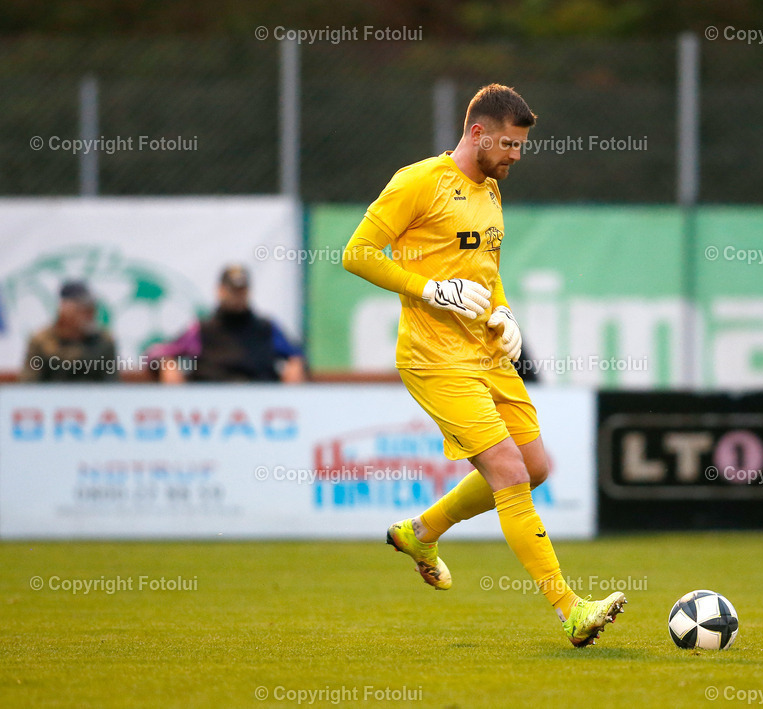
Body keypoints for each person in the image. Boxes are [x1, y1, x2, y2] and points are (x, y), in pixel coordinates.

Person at [342, 83, 625, 648]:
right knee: (510, 473)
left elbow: (487, 275)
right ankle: (571, 609)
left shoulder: (492, 191)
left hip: (487, 353)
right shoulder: (418, 182)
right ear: (476, 132)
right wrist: (427, 288)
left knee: (536, 466)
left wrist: (505, 315)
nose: (516, 156)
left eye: (521, 146)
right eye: (509, 144)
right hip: (434, 358)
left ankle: (421, 532)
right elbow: (357, 253)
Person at [148, 264, 305, 383]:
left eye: (241, 291)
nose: (237, 296)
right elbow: (155, 353)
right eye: (232, 291)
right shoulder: (201, 329)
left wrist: (295, 363)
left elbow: (297, 354)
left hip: (260, 407)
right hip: (210, 408)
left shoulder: (267, 328)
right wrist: (166, 362)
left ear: (248, 292)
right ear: (220, 291)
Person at [20, 281, 118, 382]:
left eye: (92, 309)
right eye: (82, 309)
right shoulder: (41, 341)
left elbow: (111, 385)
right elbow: (29, 384)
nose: (89, 315)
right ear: (64, 309)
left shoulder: (103, 342)